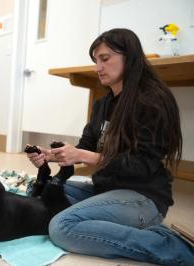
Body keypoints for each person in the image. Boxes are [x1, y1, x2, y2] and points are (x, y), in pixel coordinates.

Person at [27, 28, 194, 265]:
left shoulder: (152, 101)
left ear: (130, 57)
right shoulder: (103, 104)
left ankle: (170, 246)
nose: (98, 68)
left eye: (105, 59)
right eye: (96, 60)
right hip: (107, 190)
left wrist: (87, 156)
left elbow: (141, 164)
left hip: (143, 198)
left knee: (61, 228)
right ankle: (103, 221)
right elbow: (86, 145)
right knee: (38, 190)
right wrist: (52, 156)